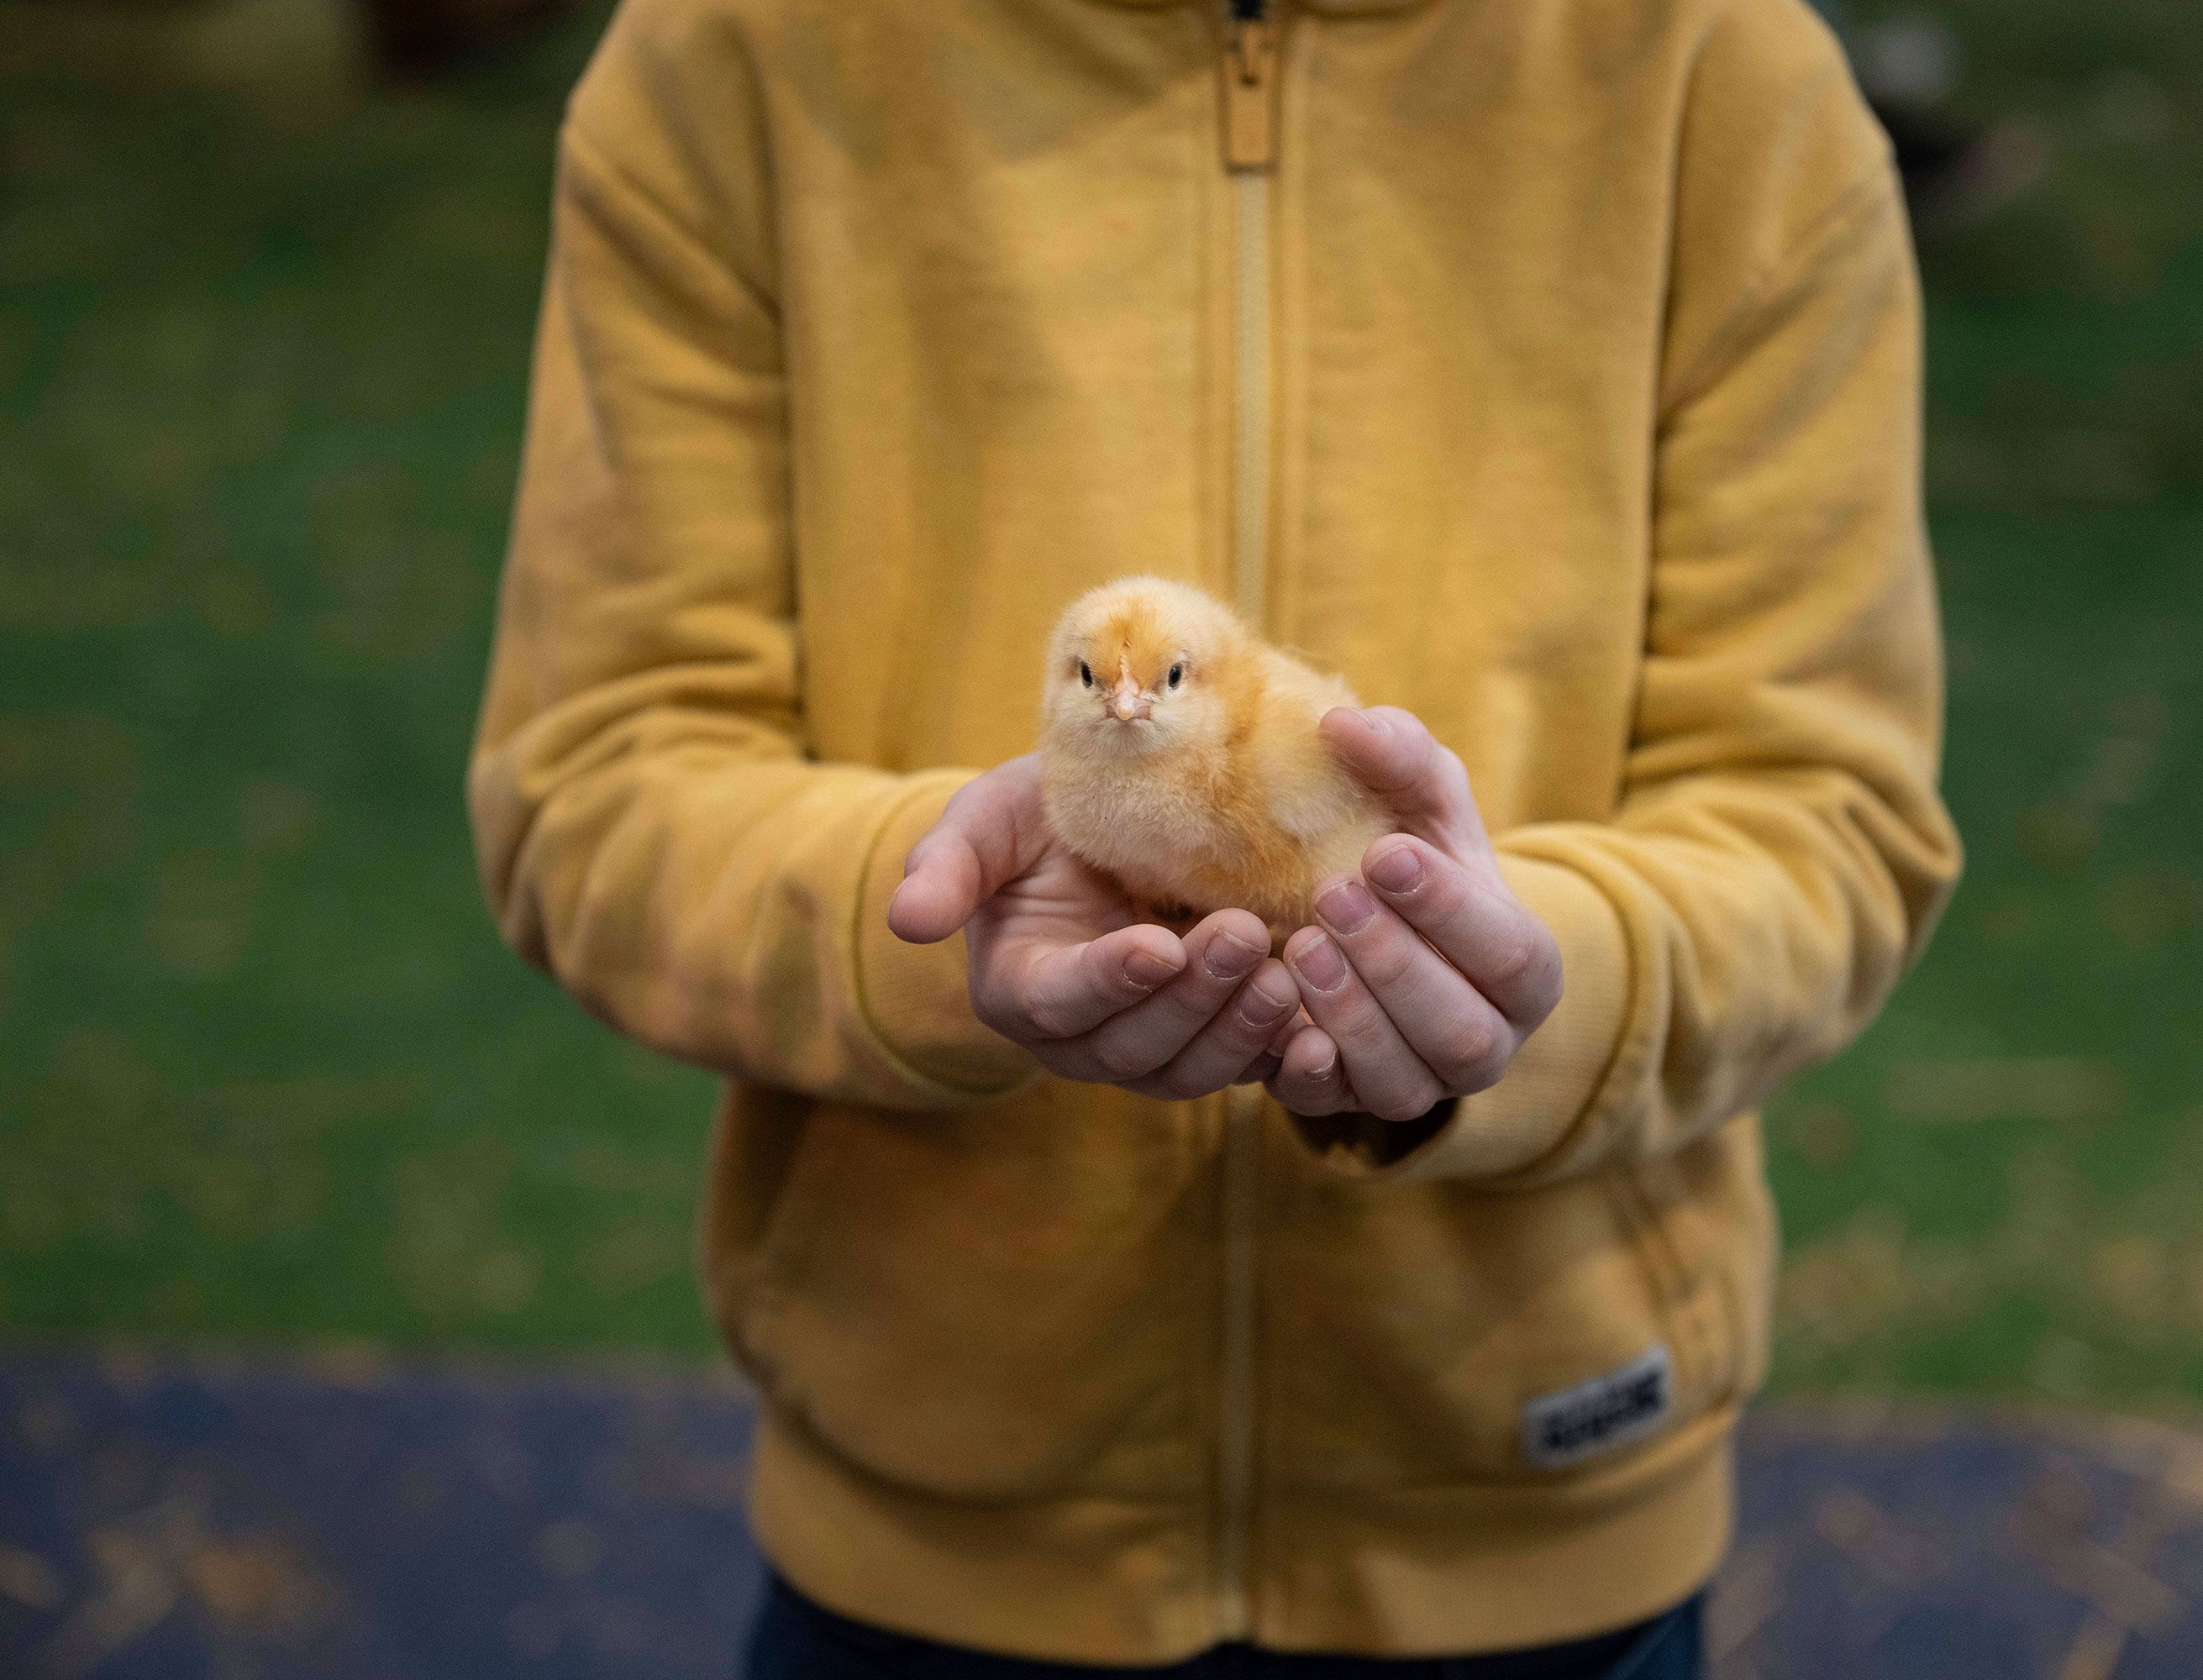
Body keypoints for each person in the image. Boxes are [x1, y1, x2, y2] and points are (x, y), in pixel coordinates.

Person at [468, 0, 1961, 1673]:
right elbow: (597, 780)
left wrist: (1541, 985)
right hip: (932, 1537)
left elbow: (1826, 812)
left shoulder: (1716, 69)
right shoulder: (739, 54)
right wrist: (938, 925)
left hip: (1538, 1501)